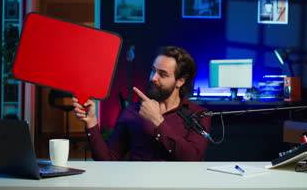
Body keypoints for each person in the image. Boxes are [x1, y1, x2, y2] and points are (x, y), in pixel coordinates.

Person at [72, 46, 211, 161]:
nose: (153, 78)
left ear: (180, 81)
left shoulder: (198, 114)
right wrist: (91, 123)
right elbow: (108, 160)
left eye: (162, 74)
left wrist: (157, 120)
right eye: (153, 70)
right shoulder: (132, 111)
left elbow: (192, 159)